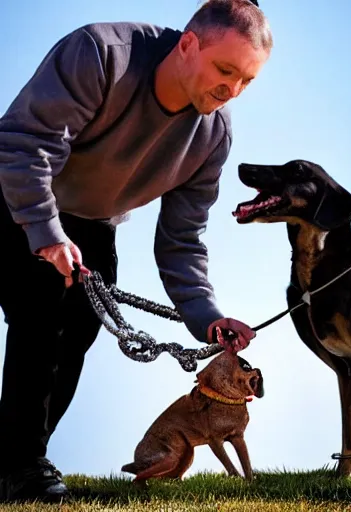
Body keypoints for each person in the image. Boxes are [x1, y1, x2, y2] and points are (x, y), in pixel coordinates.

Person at [0, 0, 272, 502]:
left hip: (93, 226)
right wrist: (45, 232)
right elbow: (26, 144)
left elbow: (182, 238)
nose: (231, 89)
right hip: (17, 194)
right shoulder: (102, 54)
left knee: (74, 334)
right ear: (188, 46)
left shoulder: (213, 135)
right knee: (39, 314)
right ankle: (20, 463)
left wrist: (208, 317)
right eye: (224, 69)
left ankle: (17, 462)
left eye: (246, 81)